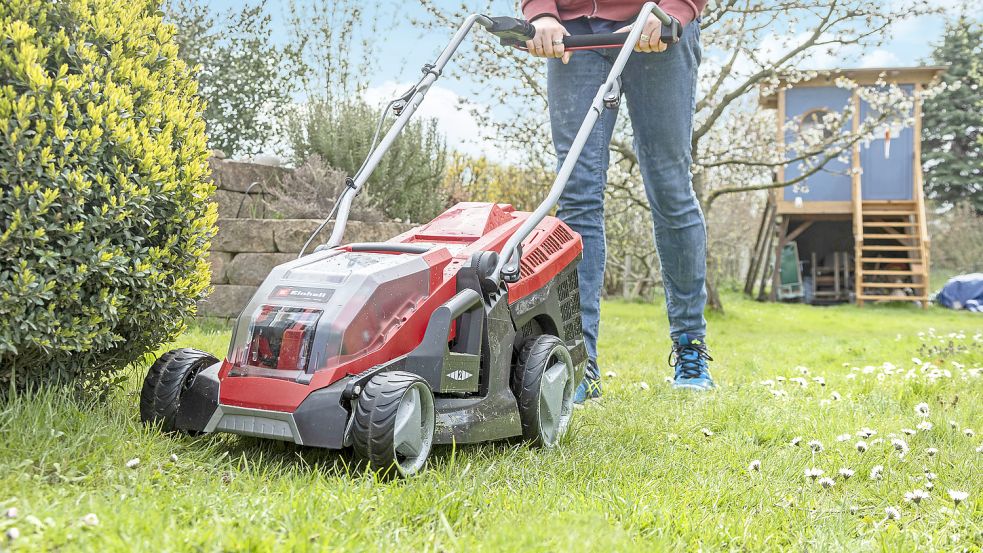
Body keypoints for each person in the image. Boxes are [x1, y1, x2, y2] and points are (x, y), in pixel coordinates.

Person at [520, 0, 714, 402]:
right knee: (577, 196)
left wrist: (674, 11)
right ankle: (579, 361)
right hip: (574, 35)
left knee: (670, 187)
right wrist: (540, 12)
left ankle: (690, 349)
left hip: (656, 24)